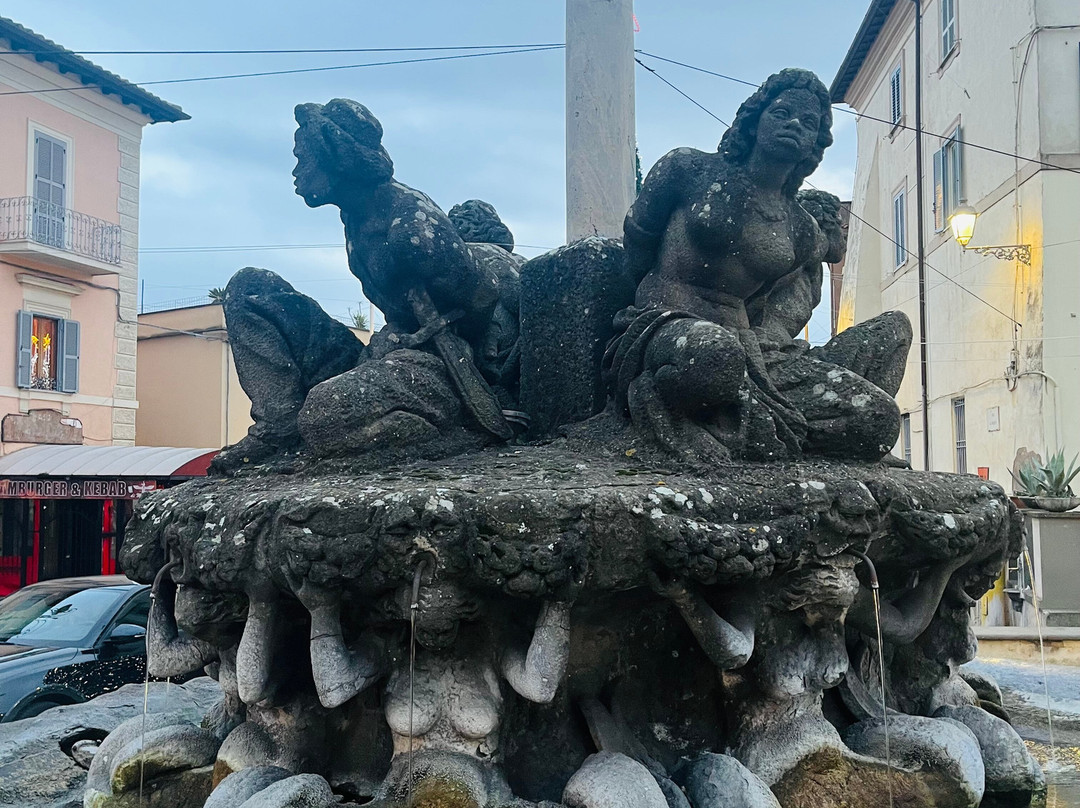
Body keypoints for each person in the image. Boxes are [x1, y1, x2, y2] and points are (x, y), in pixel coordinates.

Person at [606, 69, 910, 464]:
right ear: (754, 119)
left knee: (879, 418)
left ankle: (759, 428)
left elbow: (784, 290)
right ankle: (674, 409)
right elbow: (638, 241)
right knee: (713, 356)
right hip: (665, 325)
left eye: (808, 123)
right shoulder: (688, 170)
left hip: (749, 350)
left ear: (814, 145)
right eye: (782, 113)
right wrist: (645, 306)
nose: (794, 126)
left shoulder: (799, 227)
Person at [212, 100, 515, 474]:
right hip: (379, 356)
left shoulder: (413, 228)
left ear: (334, 158)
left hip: (434, 365)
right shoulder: (355, 216)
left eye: (302, 158)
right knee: (251, 288)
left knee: (326, 412)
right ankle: (280, 425)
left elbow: (482, 297)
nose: (296, 170)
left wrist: (473, 367)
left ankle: (448, 431)